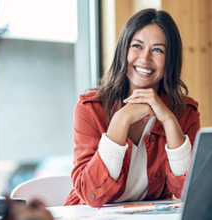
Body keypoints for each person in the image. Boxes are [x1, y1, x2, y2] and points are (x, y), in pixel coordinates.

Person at [64, 8, 200, 208]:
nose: (145, 59)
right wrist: (121, 119)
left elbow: (189, 191)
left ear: (169, 60)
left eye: (158, 50)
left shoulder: (185, 112)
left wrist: (169, 120)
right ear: (123, 50)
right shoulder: (90, 108)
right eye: (137, 46)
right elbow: (91, 194)